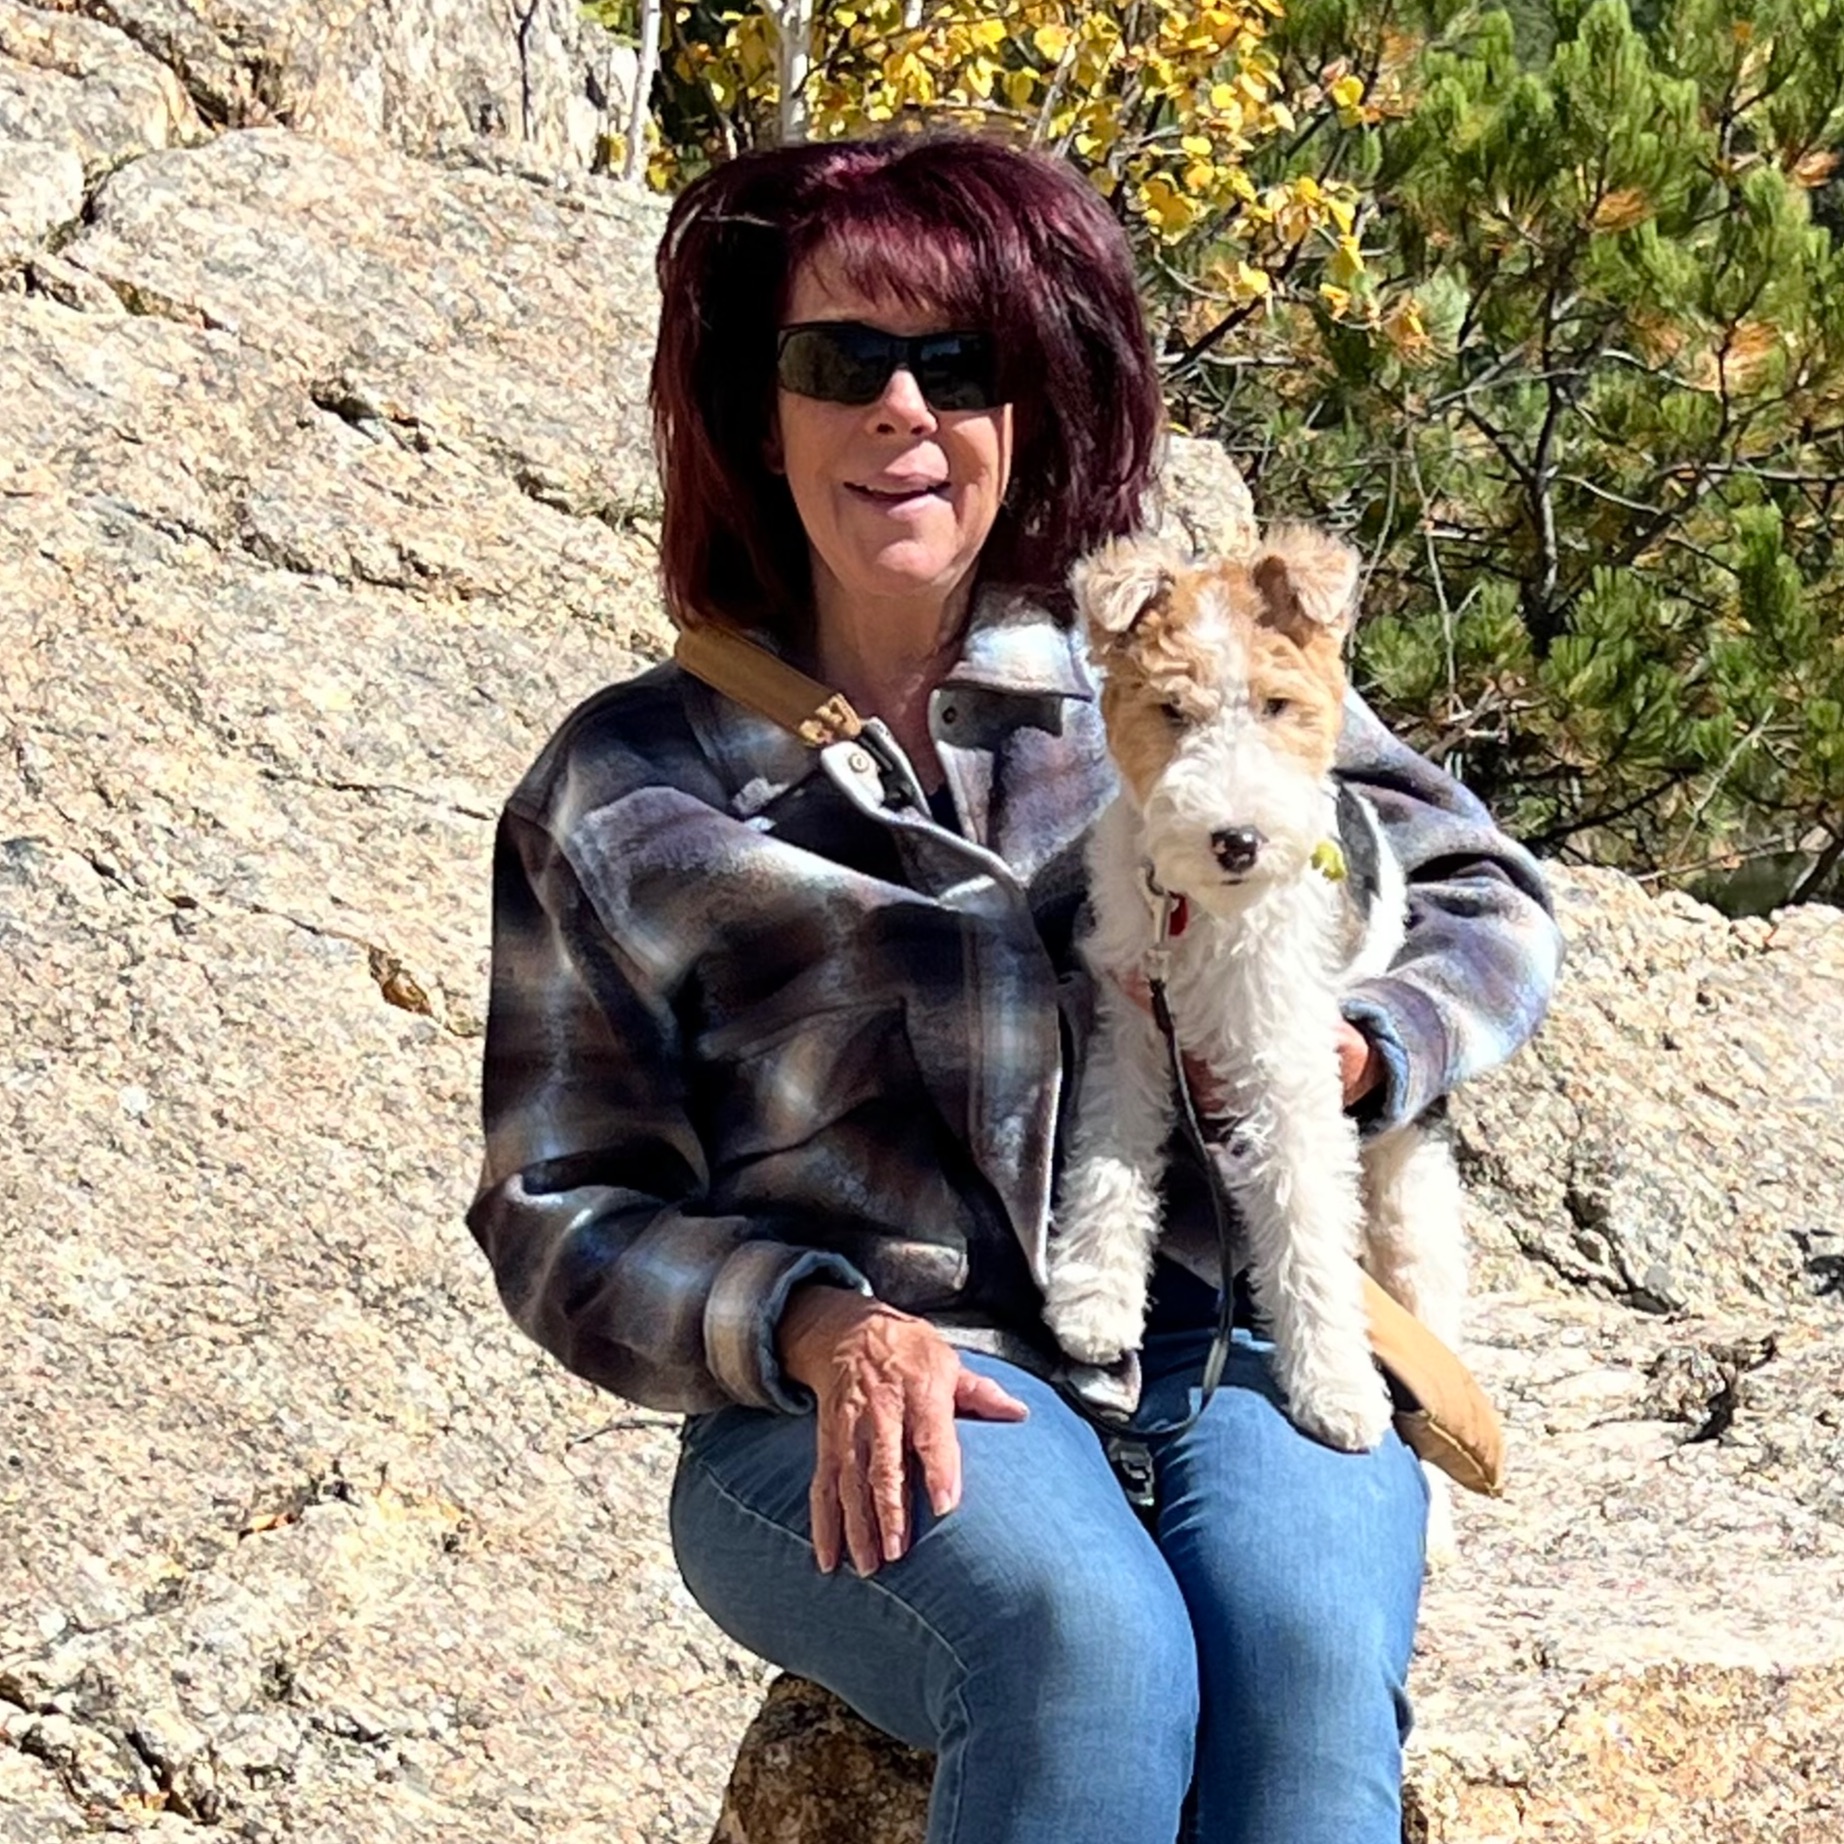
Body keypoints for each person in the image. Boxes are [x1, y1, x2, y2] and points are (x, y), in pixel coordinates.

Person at [468, 131, 1562, 1844]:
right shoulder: (626, 790)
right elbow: (559, 1208)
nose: (902, 411)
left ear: (1029, 407)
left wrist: (1358, 1051)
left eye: (959, 363)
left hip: (1231, 1335)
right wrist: (810, 1323)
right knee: (1087, 1651)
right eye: (841, 362)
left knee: (1300, 1664)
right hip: (855, 1377)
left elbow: (1489, 900)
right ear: (760, 410)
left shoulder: (1176, 663)